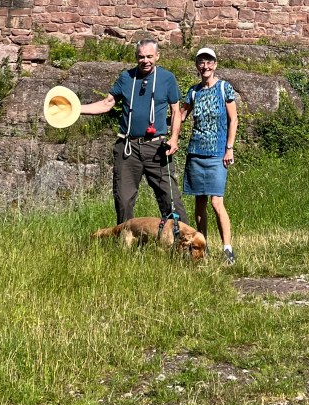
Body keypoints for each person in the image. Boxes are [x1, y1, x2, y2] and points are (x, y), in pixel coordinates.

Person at [79, 38, 187, 226]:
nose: (145, 60)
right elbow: (106, 104)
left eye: (149, 56)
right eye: (141, 57)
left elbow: (176, 111)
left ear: (157, 56)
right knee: (123, 200)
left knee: (170, 199)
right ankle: (125, 240)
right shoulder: (126, 78)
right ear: (136, 57)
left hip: (157, 147)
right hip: (128, 148)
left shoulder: (167, 78)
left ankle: (182, 238)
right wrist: (76, 109)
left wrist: (174, 138)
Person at [180, 46, 239, 265]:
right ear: (197, 65)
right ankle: (202, 246)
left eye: (209, 62)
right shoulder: (193, 91)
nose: (205, 66)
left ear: (215, 65)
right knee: (199, 203)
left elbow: (233, 119)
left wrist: (229, 148)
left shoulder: (224, 88)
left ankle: (227, 249)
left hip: (217, 154)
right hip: (196, 152)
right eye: (201, 62)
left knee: (216, 202)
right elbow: (181, 116)